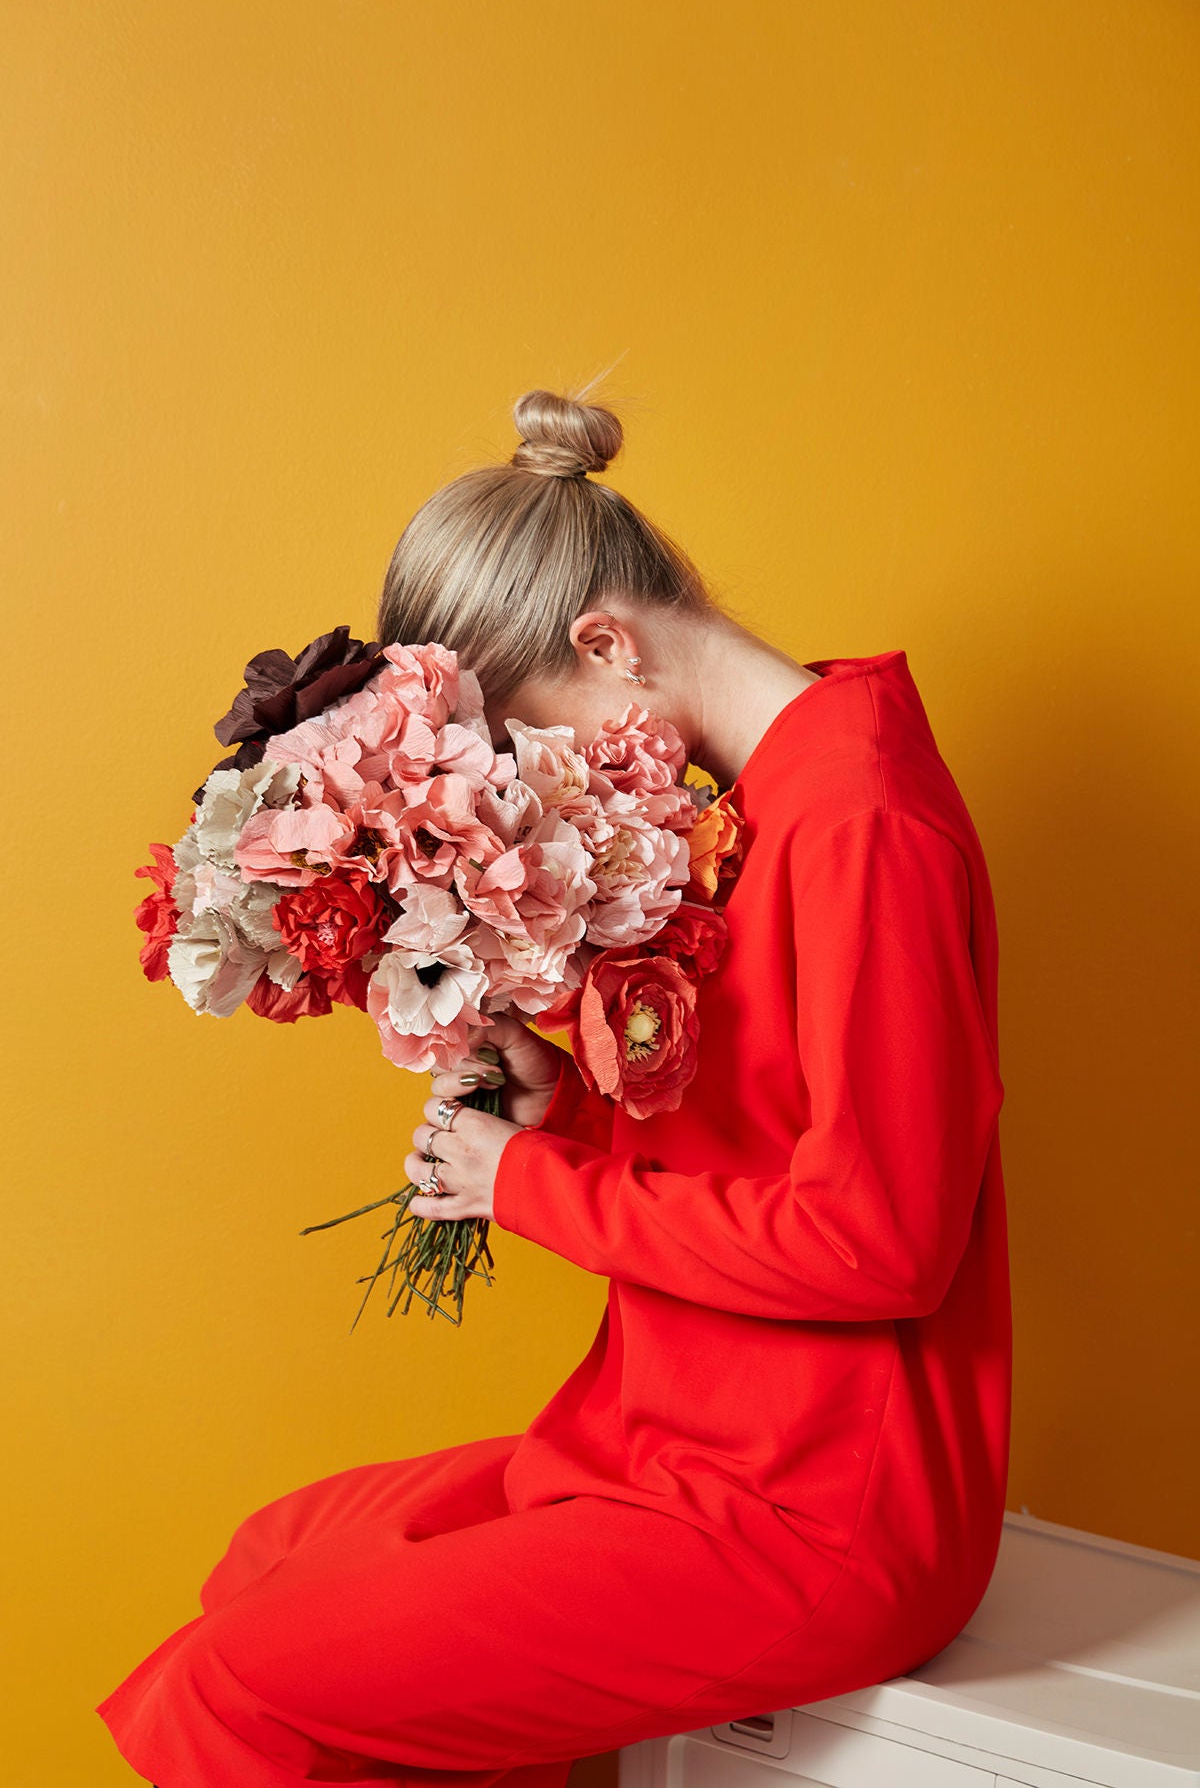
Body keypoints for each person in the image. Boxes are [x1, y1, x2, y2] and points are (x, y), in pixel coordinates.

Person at [96, 384, 1011, 1788]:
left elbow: (883, 1241)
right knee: (268, 1562)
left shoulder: (862, 824)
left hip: (810, 1510)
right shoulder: (748, 801)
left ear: (605, 646)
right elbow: (755, 1124)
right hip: (668, 1434)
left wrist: (532, 1187)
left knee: (234, 1698)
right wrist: (562, 1100)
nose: (537, 787)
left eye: (530, 740)